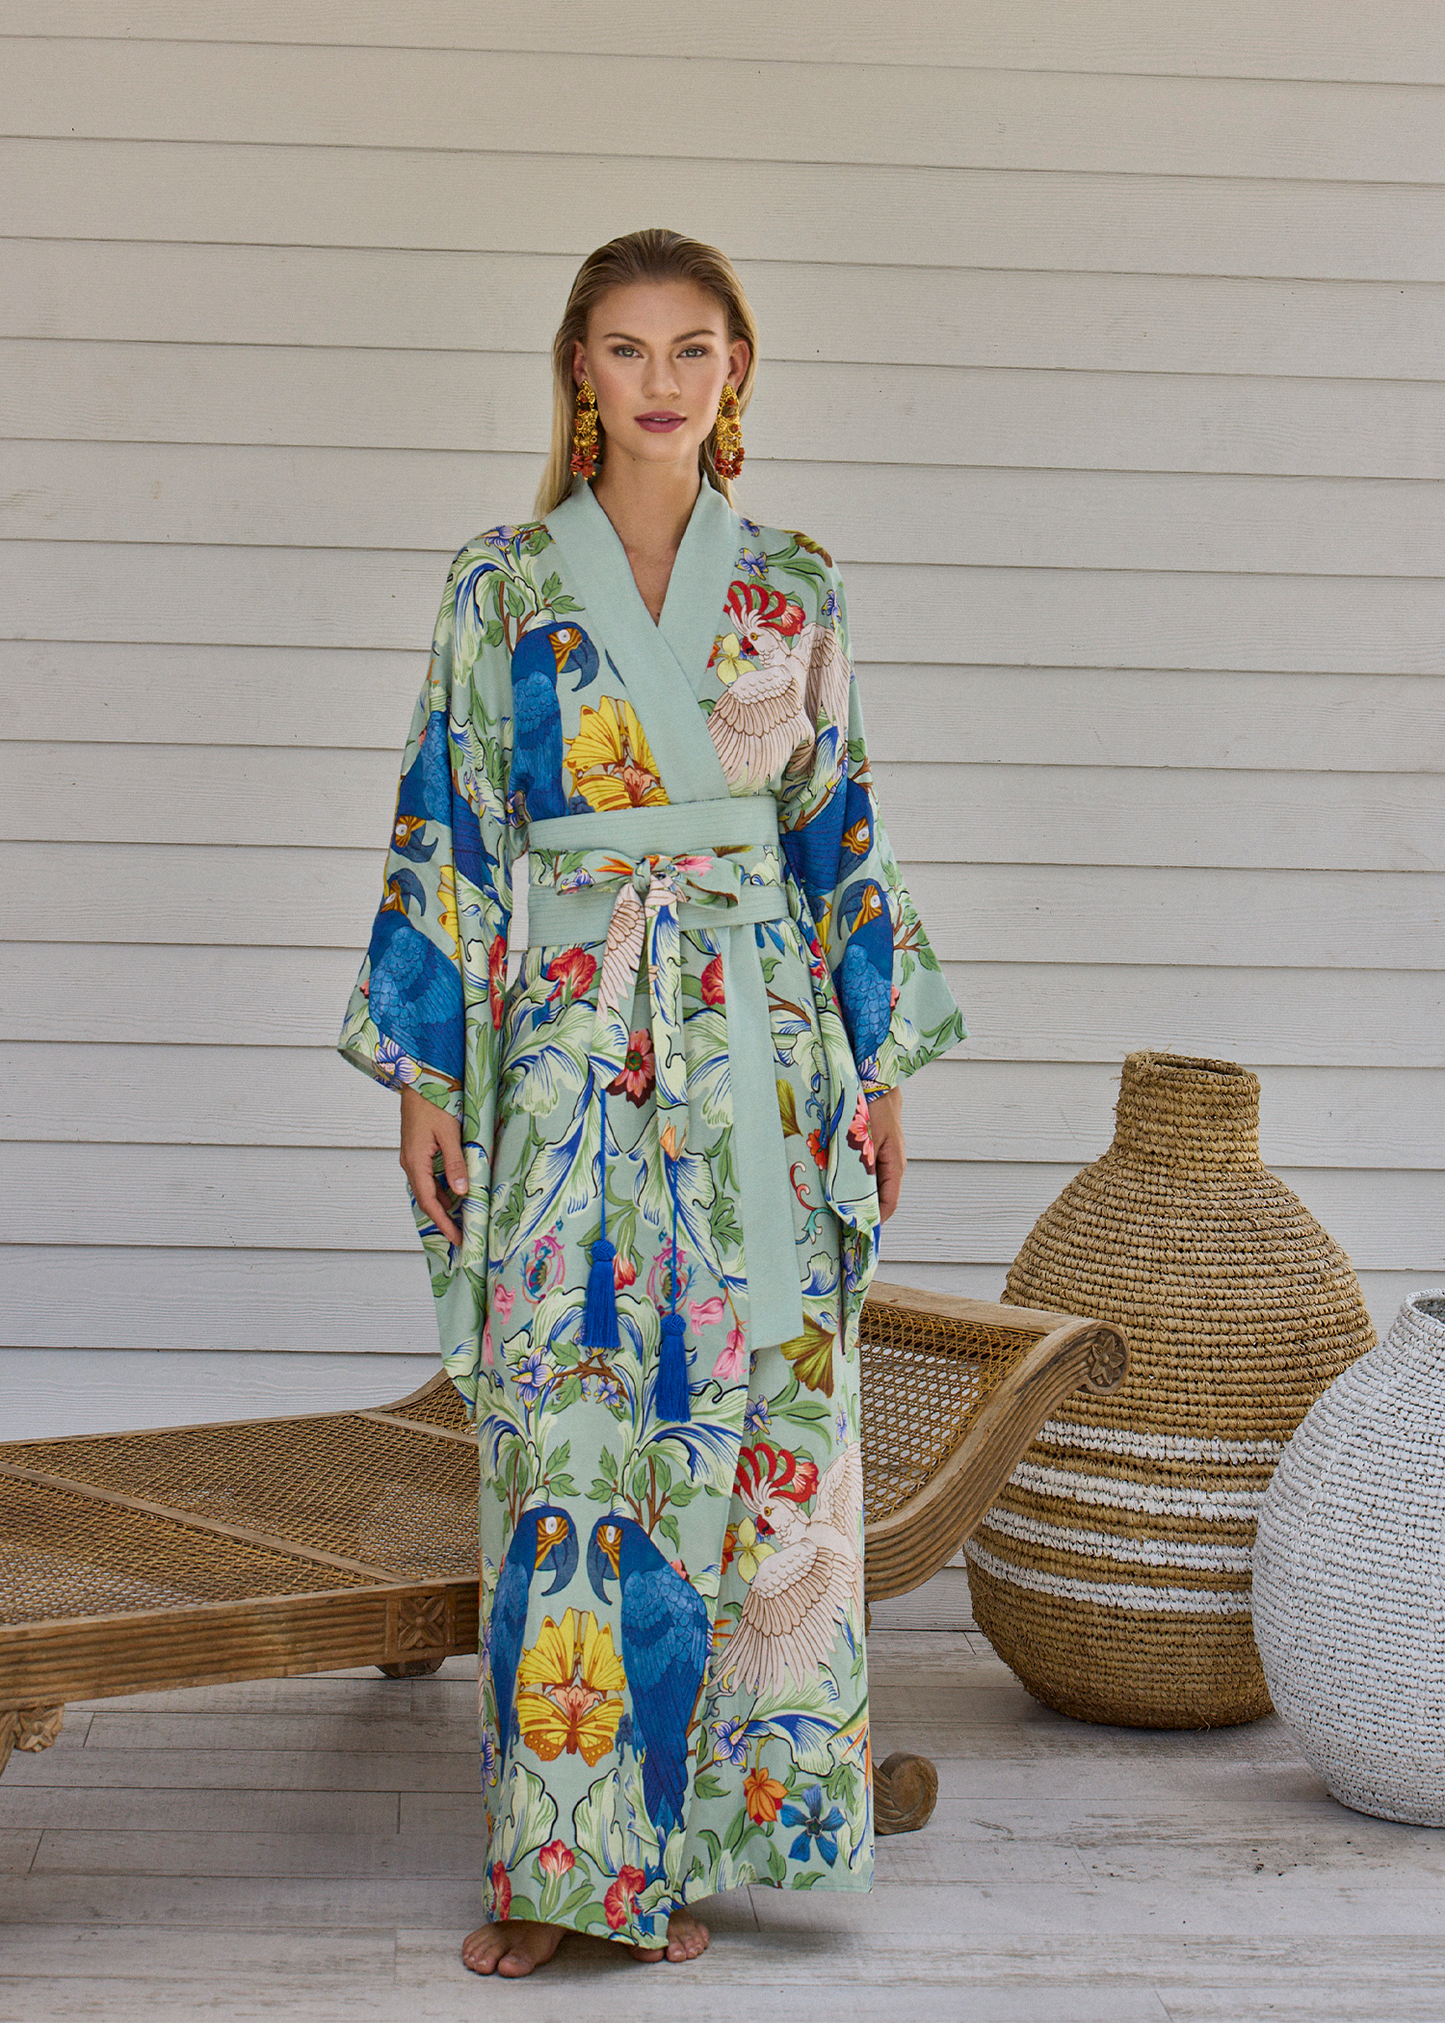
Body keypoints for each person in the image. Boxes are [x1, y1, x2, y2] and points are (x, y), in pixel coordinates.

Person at [337, 228, 965, 1977]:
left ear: (736, 371)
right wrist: (427, 1080)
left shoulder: (795, 588)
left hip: (761, 1057)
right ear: (580, 375)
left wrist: (880, 1058)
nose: (665, 381)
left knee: (741, 1428)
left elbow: (840, 829)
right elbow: (449, 825)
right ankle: (556, 1868)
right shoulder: (500, 587)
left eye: (697, 348)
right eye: (629, 350)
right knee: (566, 1432)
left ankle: (679, 1856)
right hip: (564, 1049)